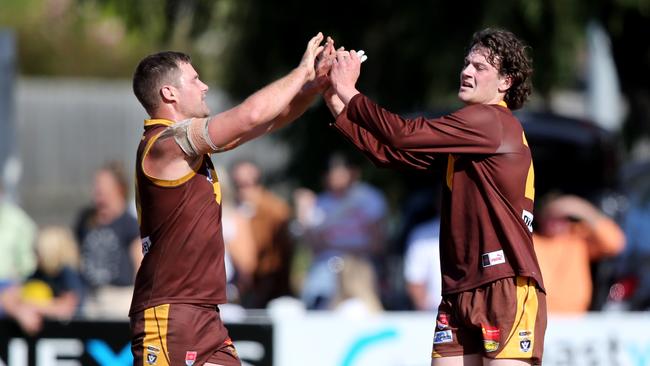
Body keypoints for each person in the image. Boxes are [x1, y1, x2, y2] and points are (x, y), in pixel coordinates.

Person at [323, 29, 546, 365]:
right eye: (467, 63)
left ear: (505, 82)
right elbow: (390, 154)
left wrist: (348, 90)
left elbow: (402, 134)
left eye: (480, 67)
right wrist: (334, 98)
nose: (467, 71)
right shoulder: (470, 135)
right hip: (459, 288)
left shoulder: (490, 121)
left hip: (503, 286)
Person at [129, 32, 328, 366]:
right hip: (170, 313)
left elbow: (268, 121)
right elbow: (250, 115)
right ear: (169, 93)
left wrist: (312, 87)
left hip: (203, 315)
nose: (204, 86)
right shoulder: (166, 143)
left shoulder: (189, 147)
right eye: (195, 79)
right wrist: (301, 70)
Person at [294, 153, 388, 310]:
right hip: (326, 268)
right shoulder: (320, 202)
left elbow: (377, 244)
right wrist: (303, 215)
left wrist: (336, 247)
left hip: (359, 267)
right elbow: (314, 247)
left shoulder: (369, 198)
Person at [533, 194, 625, 313]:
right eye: (551, 216)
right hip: (539, 316)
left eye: (564, 217)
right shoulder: (531, 241)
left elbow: (615, 243)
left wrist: (579, 208)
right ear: (540, 216)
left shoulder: (578, 238)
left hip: (576, 317)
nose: (556, 222)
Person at [74, 160, 140, 318]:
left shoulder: (129, 223)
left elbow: (140, 264)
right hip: (91, 298)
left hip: (120, 299)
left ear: (119, 189)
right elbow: (75, 256)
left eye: (102, 186)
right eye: (96, 185)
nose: (97, 190)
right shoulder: (85, 220)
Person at [229, 159, 294, 309]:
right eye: (239, 185)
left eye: (251, 183)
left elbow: (276, 256)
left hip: (266, 286)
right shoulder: (227, 209)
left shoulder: (275, 210)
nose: (246, 190)